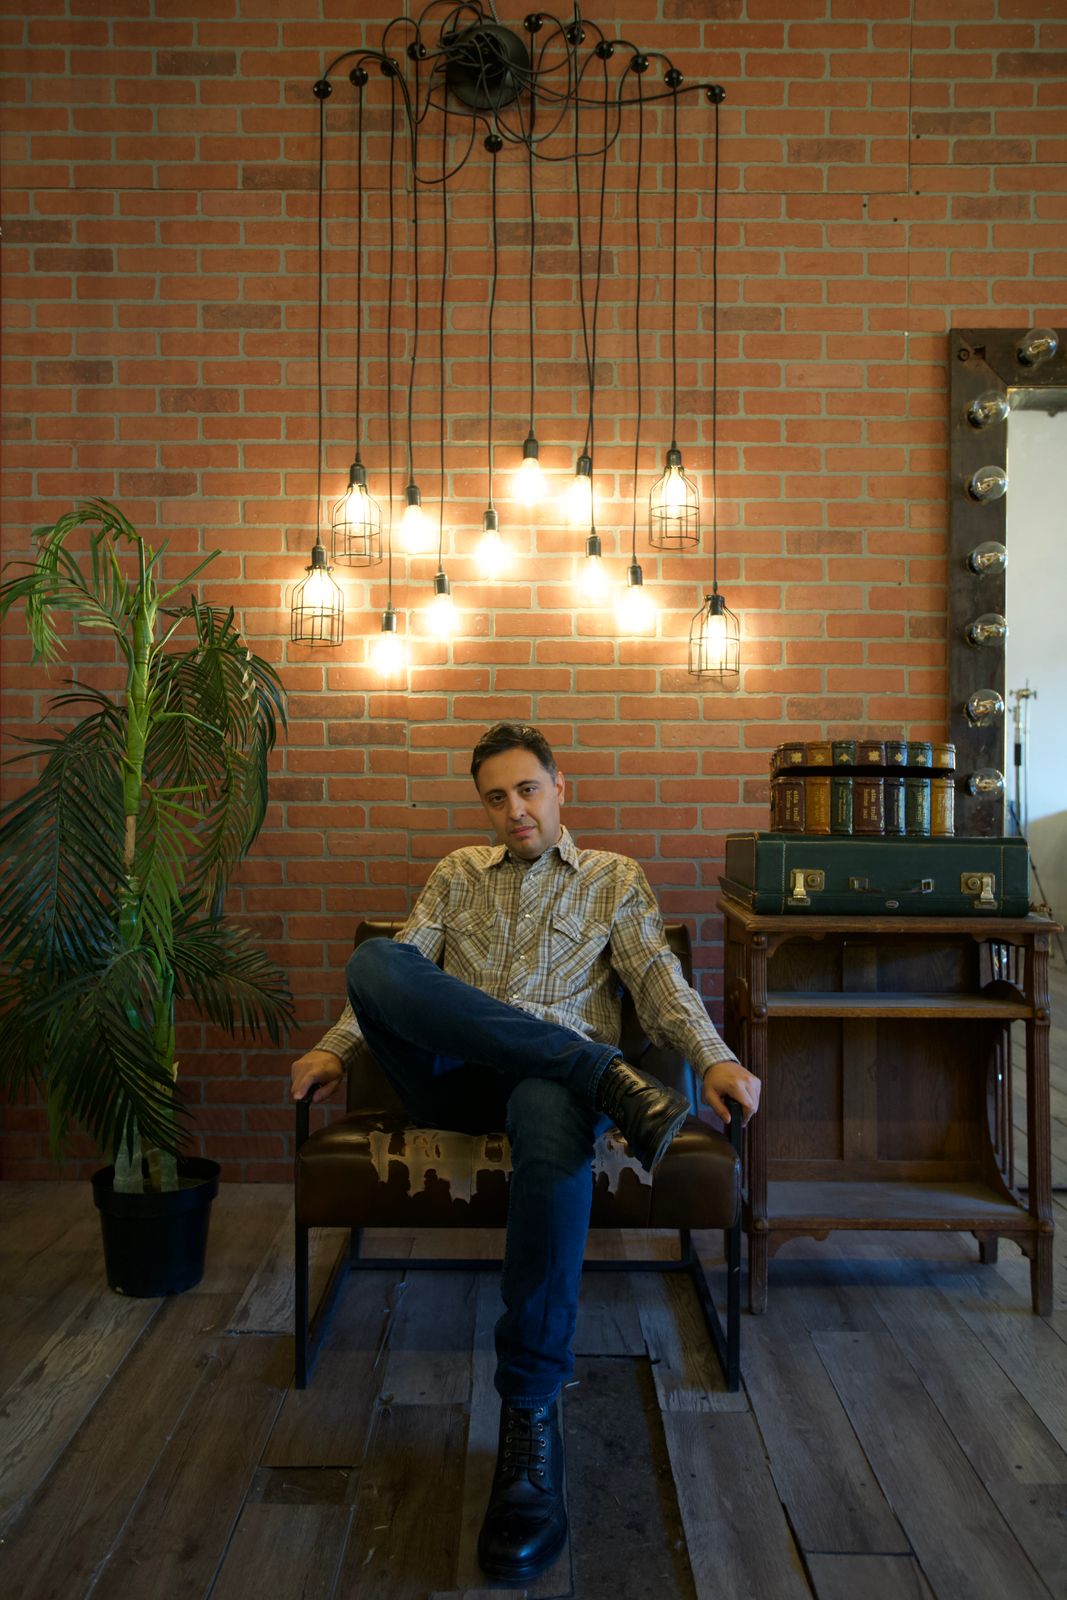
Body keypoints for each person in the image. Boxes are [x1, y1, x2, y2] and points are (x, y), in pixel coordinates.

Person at [291, 721, 760, 1583]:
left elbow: (658, 982)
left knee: (548, 1096)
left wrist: (713, 1059)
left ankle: (530, 1417)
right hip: (456, 1081)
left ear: (558, 787)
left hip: (546, 1096)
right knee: (374, 962)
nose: (514, 810)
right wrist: (335, 1049)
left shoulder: (613, 878)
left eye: (527, 790)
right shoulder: (455, 874)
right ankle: (599, 1072)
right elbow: (397, 979)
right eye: (496, 797)